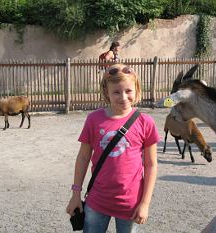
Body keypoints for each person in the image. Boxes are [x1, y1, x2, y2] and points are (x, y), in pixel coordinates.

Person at [66, 63, 160, 233]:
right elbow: (83, 157)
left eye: (128, 91)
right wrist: (75, 195)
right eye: (116, 92)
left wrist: (145, 204)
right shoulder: (94, 120)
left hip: (131, 204)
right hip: (97, 201)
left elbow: (151, 165)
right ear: (106, 93)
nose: (123, 97)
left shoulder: (145, 122)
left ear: (137, 90)